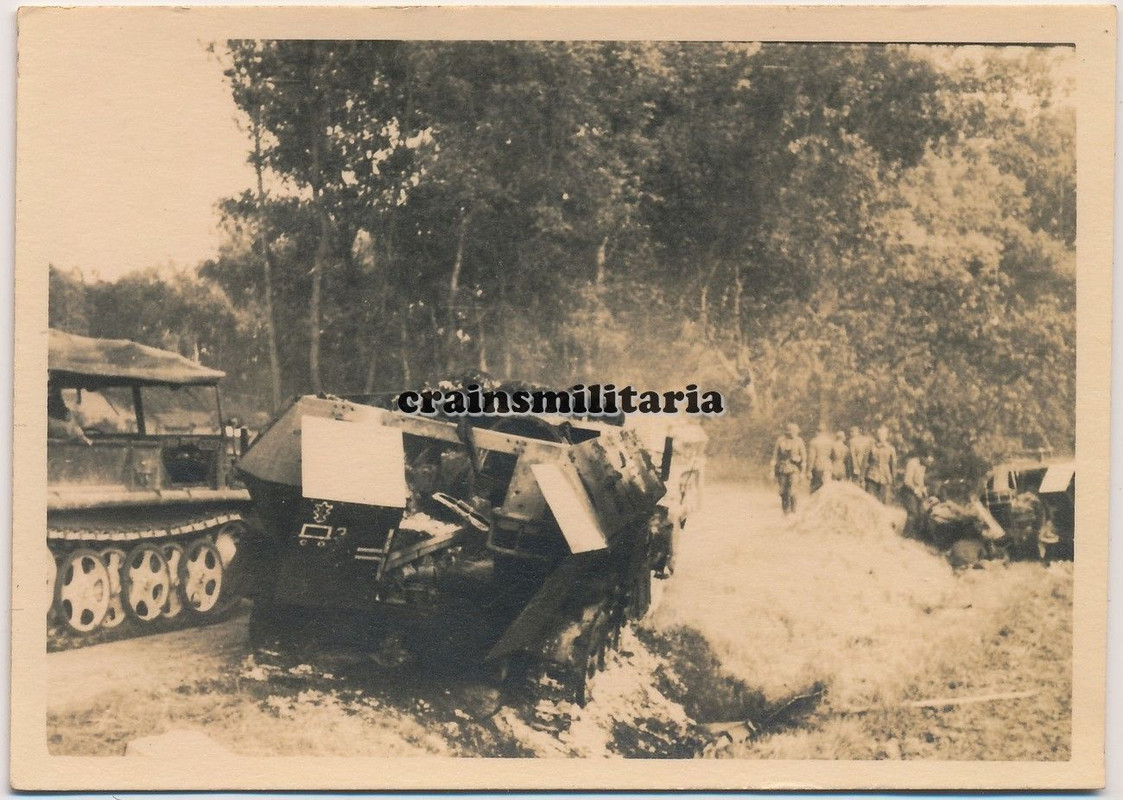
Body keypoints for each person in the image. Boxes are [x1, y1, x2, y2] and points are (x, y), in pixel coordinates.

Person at [772, 422, 807, 515]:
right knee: (783, 491)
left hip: (794, 469)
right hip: (782, 469)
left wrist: (802, 471)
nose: (793, 434)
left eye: (794, 432)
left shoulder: (799, 441)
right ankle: (785, 512)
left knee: (793, 490)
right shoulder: (780, 441)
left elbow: (804, 457)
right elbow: (775, 456)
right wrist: (772, 470)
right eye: (791, 432)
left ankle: (793, 510)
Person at [901, 449, 934, 532]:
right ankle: (906, 535)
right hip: (907, 491)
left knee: (923, 512)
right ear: (923, 457)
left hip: (917, 491)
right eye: (928, 461)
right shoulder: (912, 463)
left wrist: (924, 491)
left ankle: (917, 534)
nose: (929, 464)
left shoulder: (923, 465)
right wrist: (916, 490)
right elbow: (907, 481)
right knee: (913, 513)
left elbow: (920, 481)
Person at [865, 425, 897, 504]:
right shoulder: (871, 447)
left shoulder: (891, 449)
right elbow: (865, 462)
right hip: (872, 476)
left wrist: (894, 481)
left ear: (886, 436)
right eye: (879, 434)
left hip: (885, 477)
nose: (880, 436)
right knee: (870, 501)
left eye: (883, 434)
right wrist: (862, 478)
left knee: (884, 502)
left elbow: (893, 466)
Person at [807, 425, 834, 493]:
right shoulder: (830, 441)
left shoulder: (814, 442)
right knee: (827, 487)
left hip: (818, 466)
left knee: (815, 488)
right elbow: (833, 455)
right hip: (828, 465)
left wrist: (809, 470)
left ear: (817, 432)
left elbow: (811, 457)